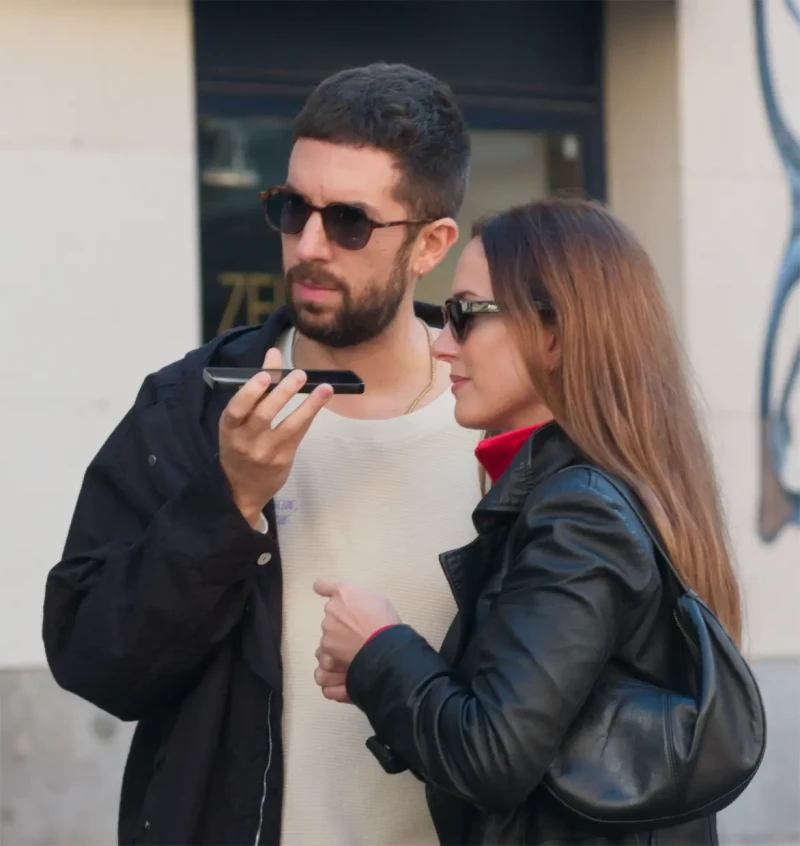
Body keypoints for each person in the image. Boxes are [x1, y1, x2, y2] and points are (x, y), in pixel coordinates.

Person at [42, 63, 482, 846]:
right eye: (292, 209)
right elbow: (94, 660)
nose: (310, 246)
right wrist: (229, 500)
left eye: (349, 222)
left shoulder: (501, 423)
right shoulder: (193, 404)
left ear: (430, 245)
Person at [313, 198, 743, 845]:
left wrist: (381, 646)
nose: (440, 342)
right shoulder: (591, 490)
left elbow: (494, 758)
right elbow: (539, 728)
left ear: (555, 332)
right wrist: (386, 675)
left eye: (463, 315)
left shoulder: (579, 510)